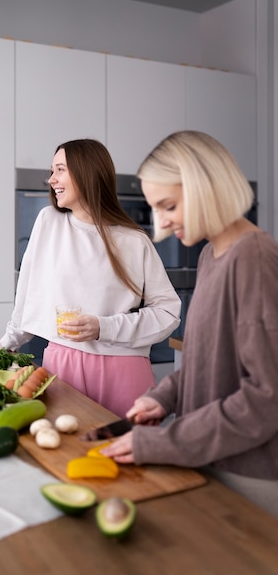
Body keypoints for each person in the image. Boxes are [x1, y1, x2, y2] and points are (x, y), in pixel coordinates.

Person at [100, 130, 278, 519]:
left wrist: (164, 442)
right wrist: (163, 398)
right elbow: (205, 359)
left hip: (250, 474)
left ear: (205, 187)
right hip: (212, 457)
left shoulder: (255, 258)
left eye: (169, 206)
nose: (161, 223)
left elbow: (267, 397)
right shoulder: (212, 255)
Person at [0, 138, 181, 417]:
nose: (51, 179)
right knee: (61, 452)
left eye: (60, 169)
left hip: (124, 370)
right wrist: (8, 342)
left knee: (126, 456)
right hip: (61, 364)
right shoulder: (49, 222)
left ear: (86, 173)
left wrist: (104, 327)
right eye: (52, 171)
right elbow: (29, 292)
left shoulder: (134, 241)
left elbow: (168, 312)